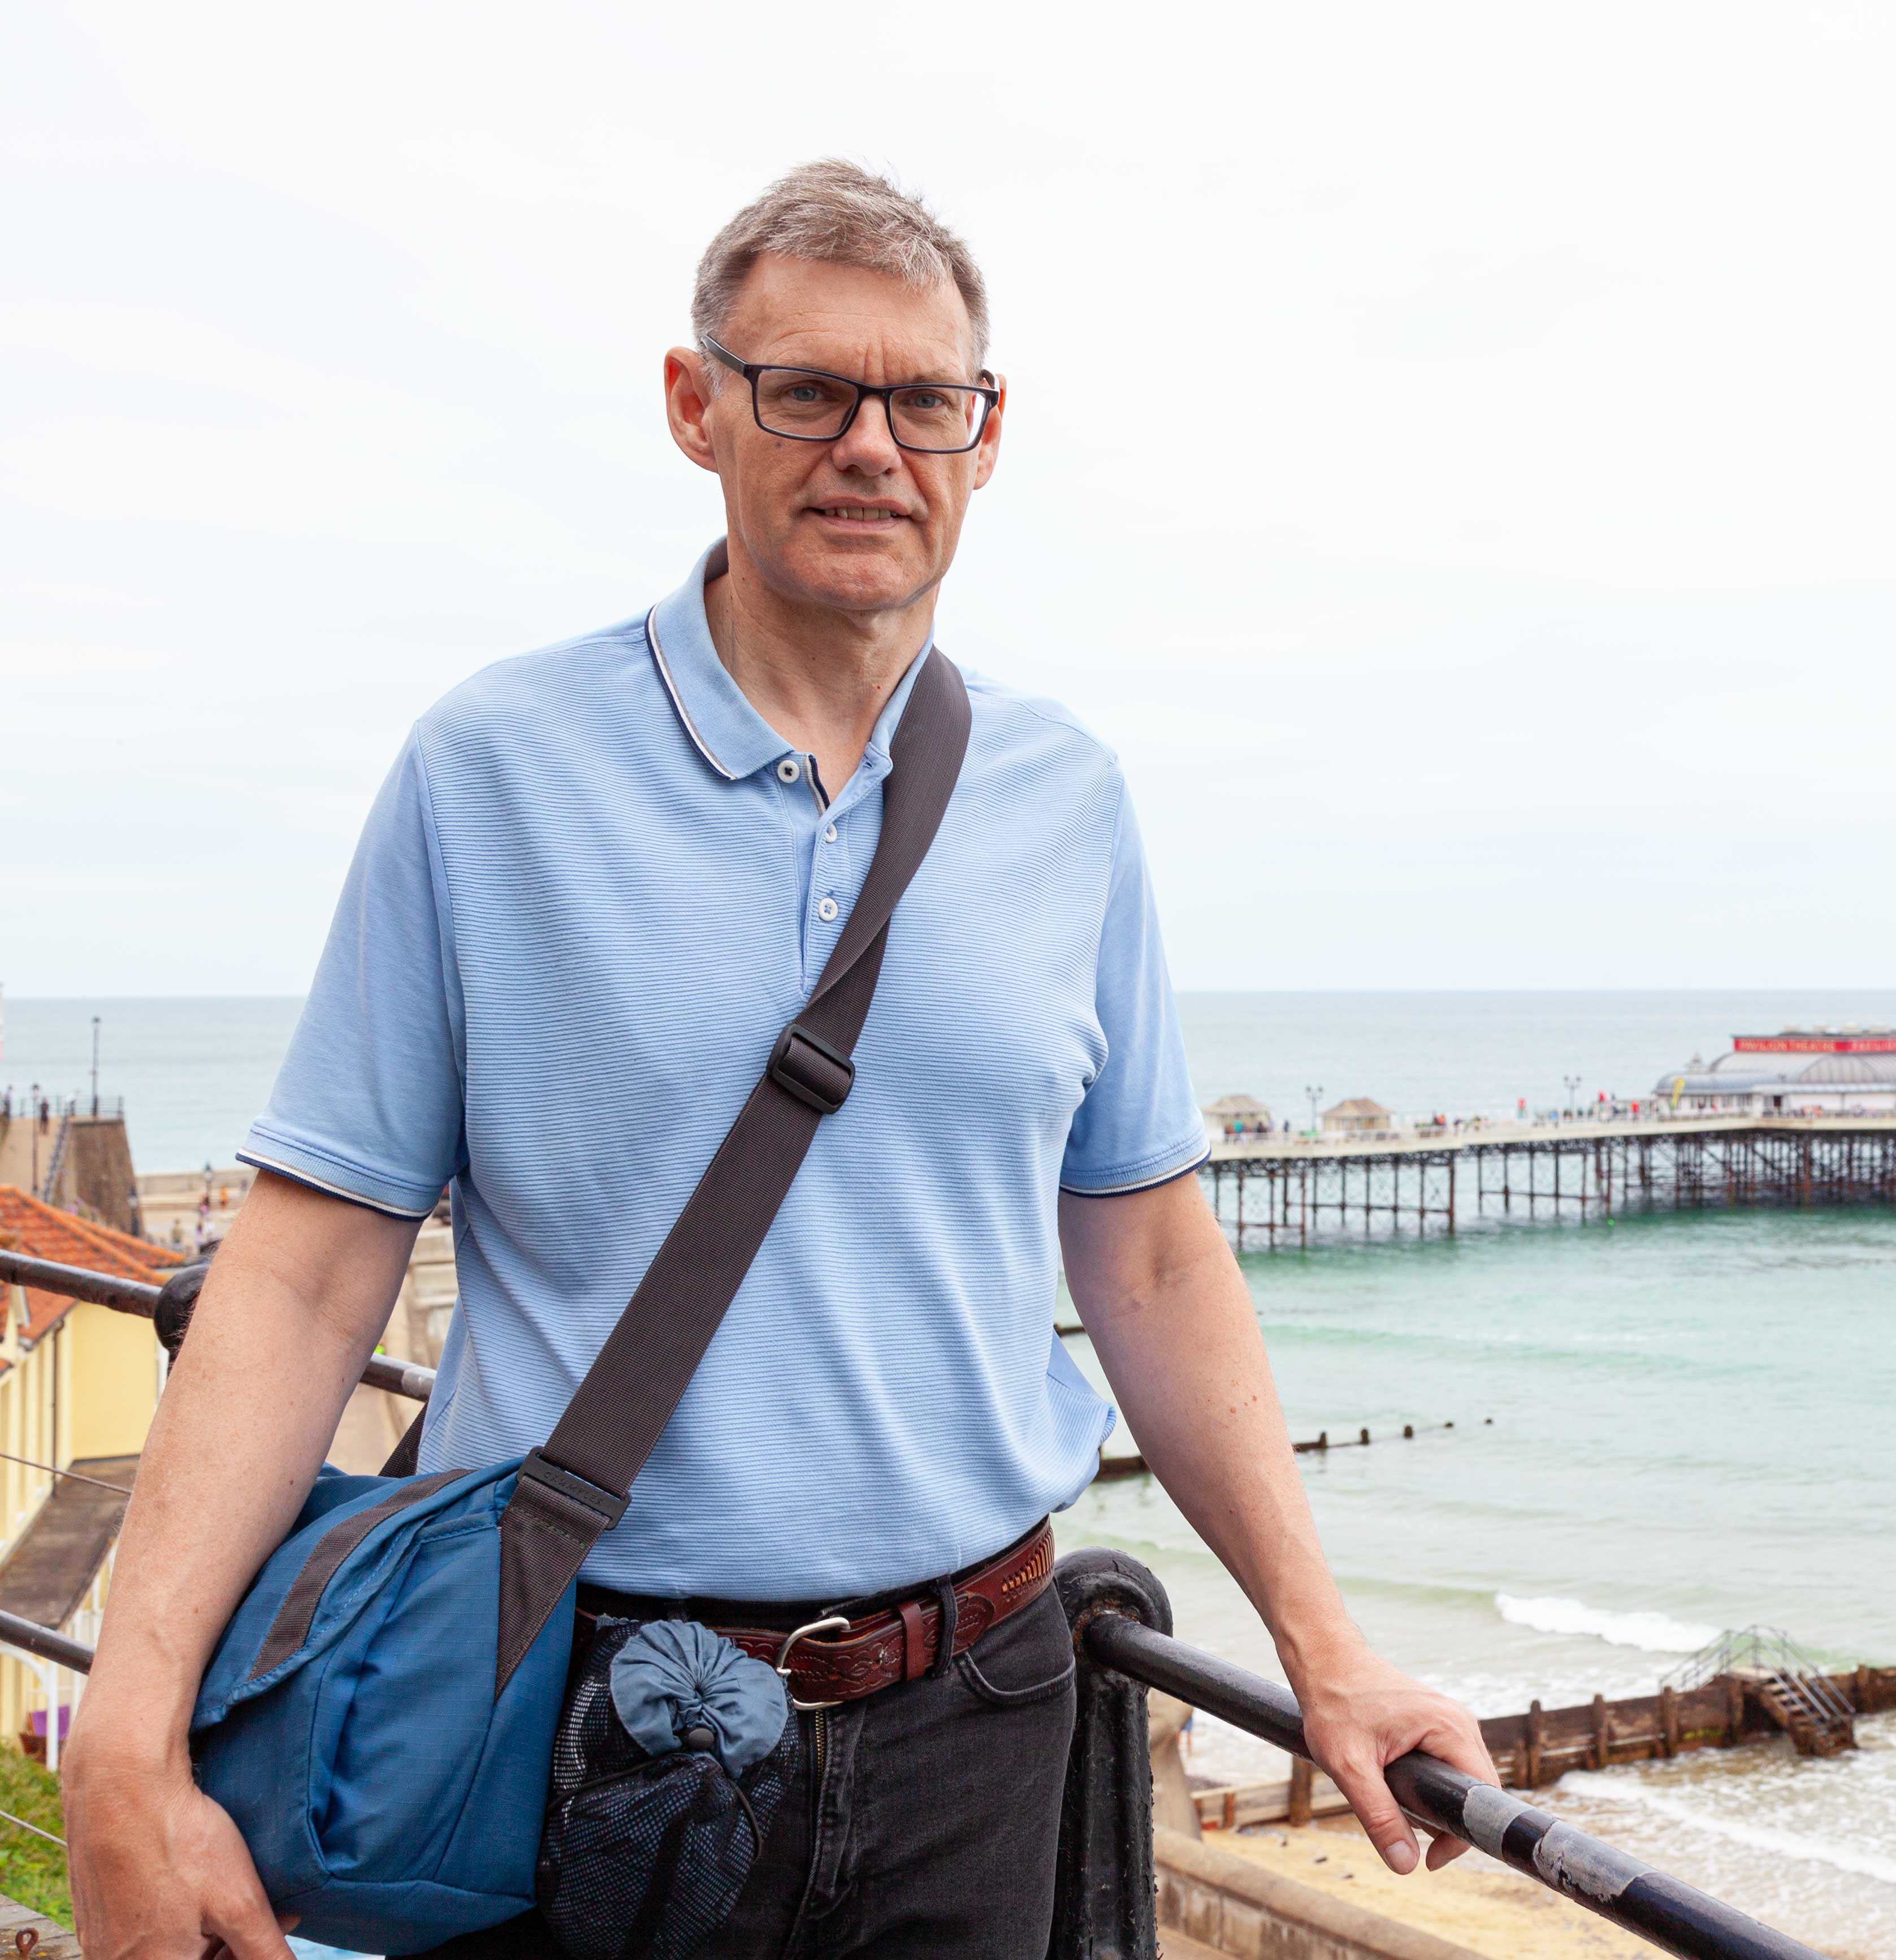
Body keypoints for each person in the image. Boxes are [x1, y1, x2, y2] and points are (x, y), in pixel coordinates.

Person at [63, 161, 1494, 1960]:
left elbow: (1146, 1251)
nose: (872, 447)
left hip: (980, 1706)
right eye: (808, 389)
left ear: (986, 436)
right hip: (591, 1721)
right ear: (697, 406)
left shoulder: (1070, 800)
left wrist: (1327, 1647)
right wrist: (127, 1724)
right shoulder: (494, 767)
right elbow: (299, 1264)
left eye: (925, 400)